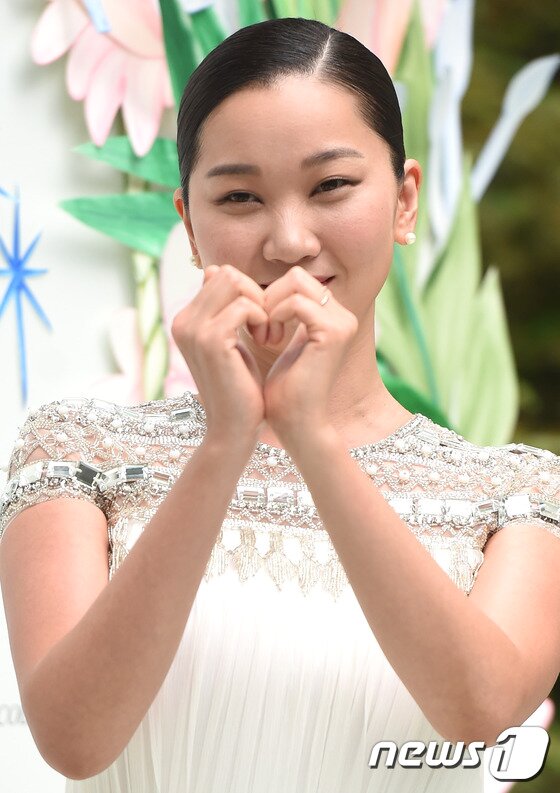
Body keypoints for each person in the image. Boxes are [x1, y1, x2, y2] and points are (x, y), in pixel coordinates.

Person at [0, 16, 559, 793]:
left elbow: (480, 711)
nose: (289, 239)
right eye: (240, 197)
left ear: (403, 201)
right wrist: (224, 442)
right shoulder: (75, 449)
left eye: (331, 185)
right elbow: (74, 737)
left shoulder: (519, 496)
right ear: (189, 225)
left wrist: (311, 437)